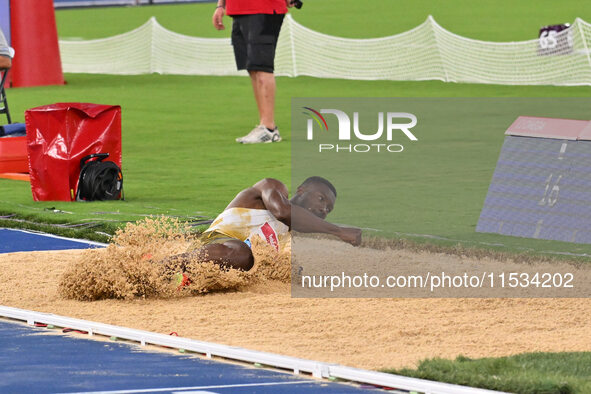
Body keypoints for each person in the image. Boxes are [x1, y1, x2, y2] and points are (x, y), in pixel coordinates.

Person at [164, 177, 362, 272]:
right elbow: (282, 212)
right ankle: (162, 267)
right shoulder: (272, 187)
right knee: (242, 253)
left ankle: (184, 278)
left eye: (329, 209)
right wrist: (338, 231)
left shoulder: (287, 237)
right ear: (301, 190)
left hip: (225, 267)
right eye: (321, 199)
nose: (323, 209)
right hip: (212, 244)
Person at [212, 0, 293, 144]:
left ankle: (269, 128)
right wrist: (220, 6)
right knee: (252, 67)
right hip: (238, 10)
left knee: (262, 66)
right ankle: (265, 125)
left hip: (264, 8)